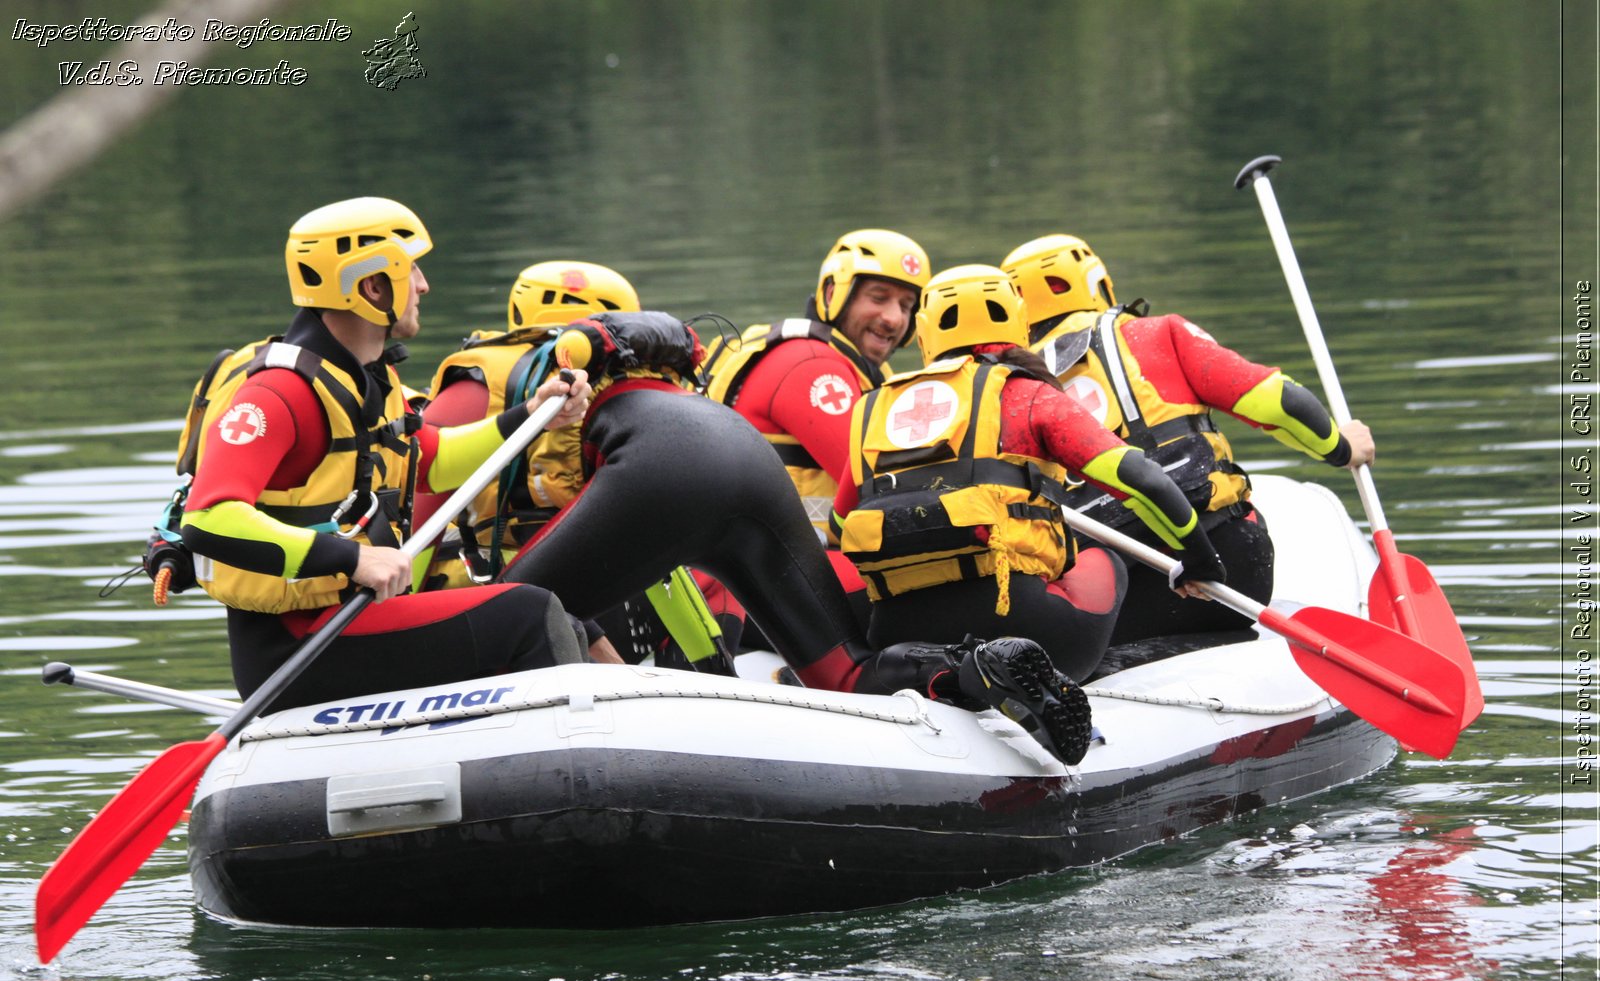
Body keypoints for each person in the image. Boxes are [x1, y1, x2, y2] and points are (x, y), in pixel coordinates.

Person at [499, 310, 1096, 763]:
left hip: (661, 469)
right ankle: (974, 666)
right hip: (747, 462)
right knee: (846, 673)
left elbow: (544, 594)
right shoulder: (692, 393)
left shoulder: (583, 412)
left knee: (506, 605)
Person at [175, 197, 592, 710]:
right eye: (411, 269)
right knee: (527, 615)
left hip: (351, 622)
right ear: (372, 286)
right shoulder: (278, 393)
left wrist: (531, 413)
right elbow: (208, 519)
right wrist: (351, 557)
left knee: (568, 618)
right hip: (298, 646)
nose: (423, 285)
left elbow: (431, 460)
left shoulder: (368, 375)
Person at [831, 265, 1227, 682]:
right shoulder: (1026, 393)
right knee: (1100, 556)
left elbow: (841, 528)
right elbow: (1143, 480)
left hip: (897, 632)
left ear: (925, 332)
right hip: (1027, 630)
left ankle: (938, 673)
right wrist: (1200, 560)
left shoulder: (873, 408)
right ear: (1018, 320)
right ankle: (1054, 679)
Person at [1001, 234, 1376, 641]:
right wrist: (1342, 448)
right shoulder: (1156, 334)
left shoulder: (1007, 389)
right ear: (1099, 286)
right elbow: (1279, 403)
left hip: (1101, 602)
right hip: (1225, 569)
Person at [418, 260, 640, 588]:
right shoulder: (632, 378)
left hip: (508, 575)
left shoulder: (481, 378)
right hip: (621, 568)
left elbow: (420, 497)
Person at [702, 228, 929, 542]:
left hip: (782, 564)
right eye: (878, 298)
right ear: (835, 294)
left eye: (906, 307)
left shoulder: (862, 370)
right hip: (754, 579)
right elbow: (883, 487)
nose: (893, 318)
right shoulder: (810, 365)